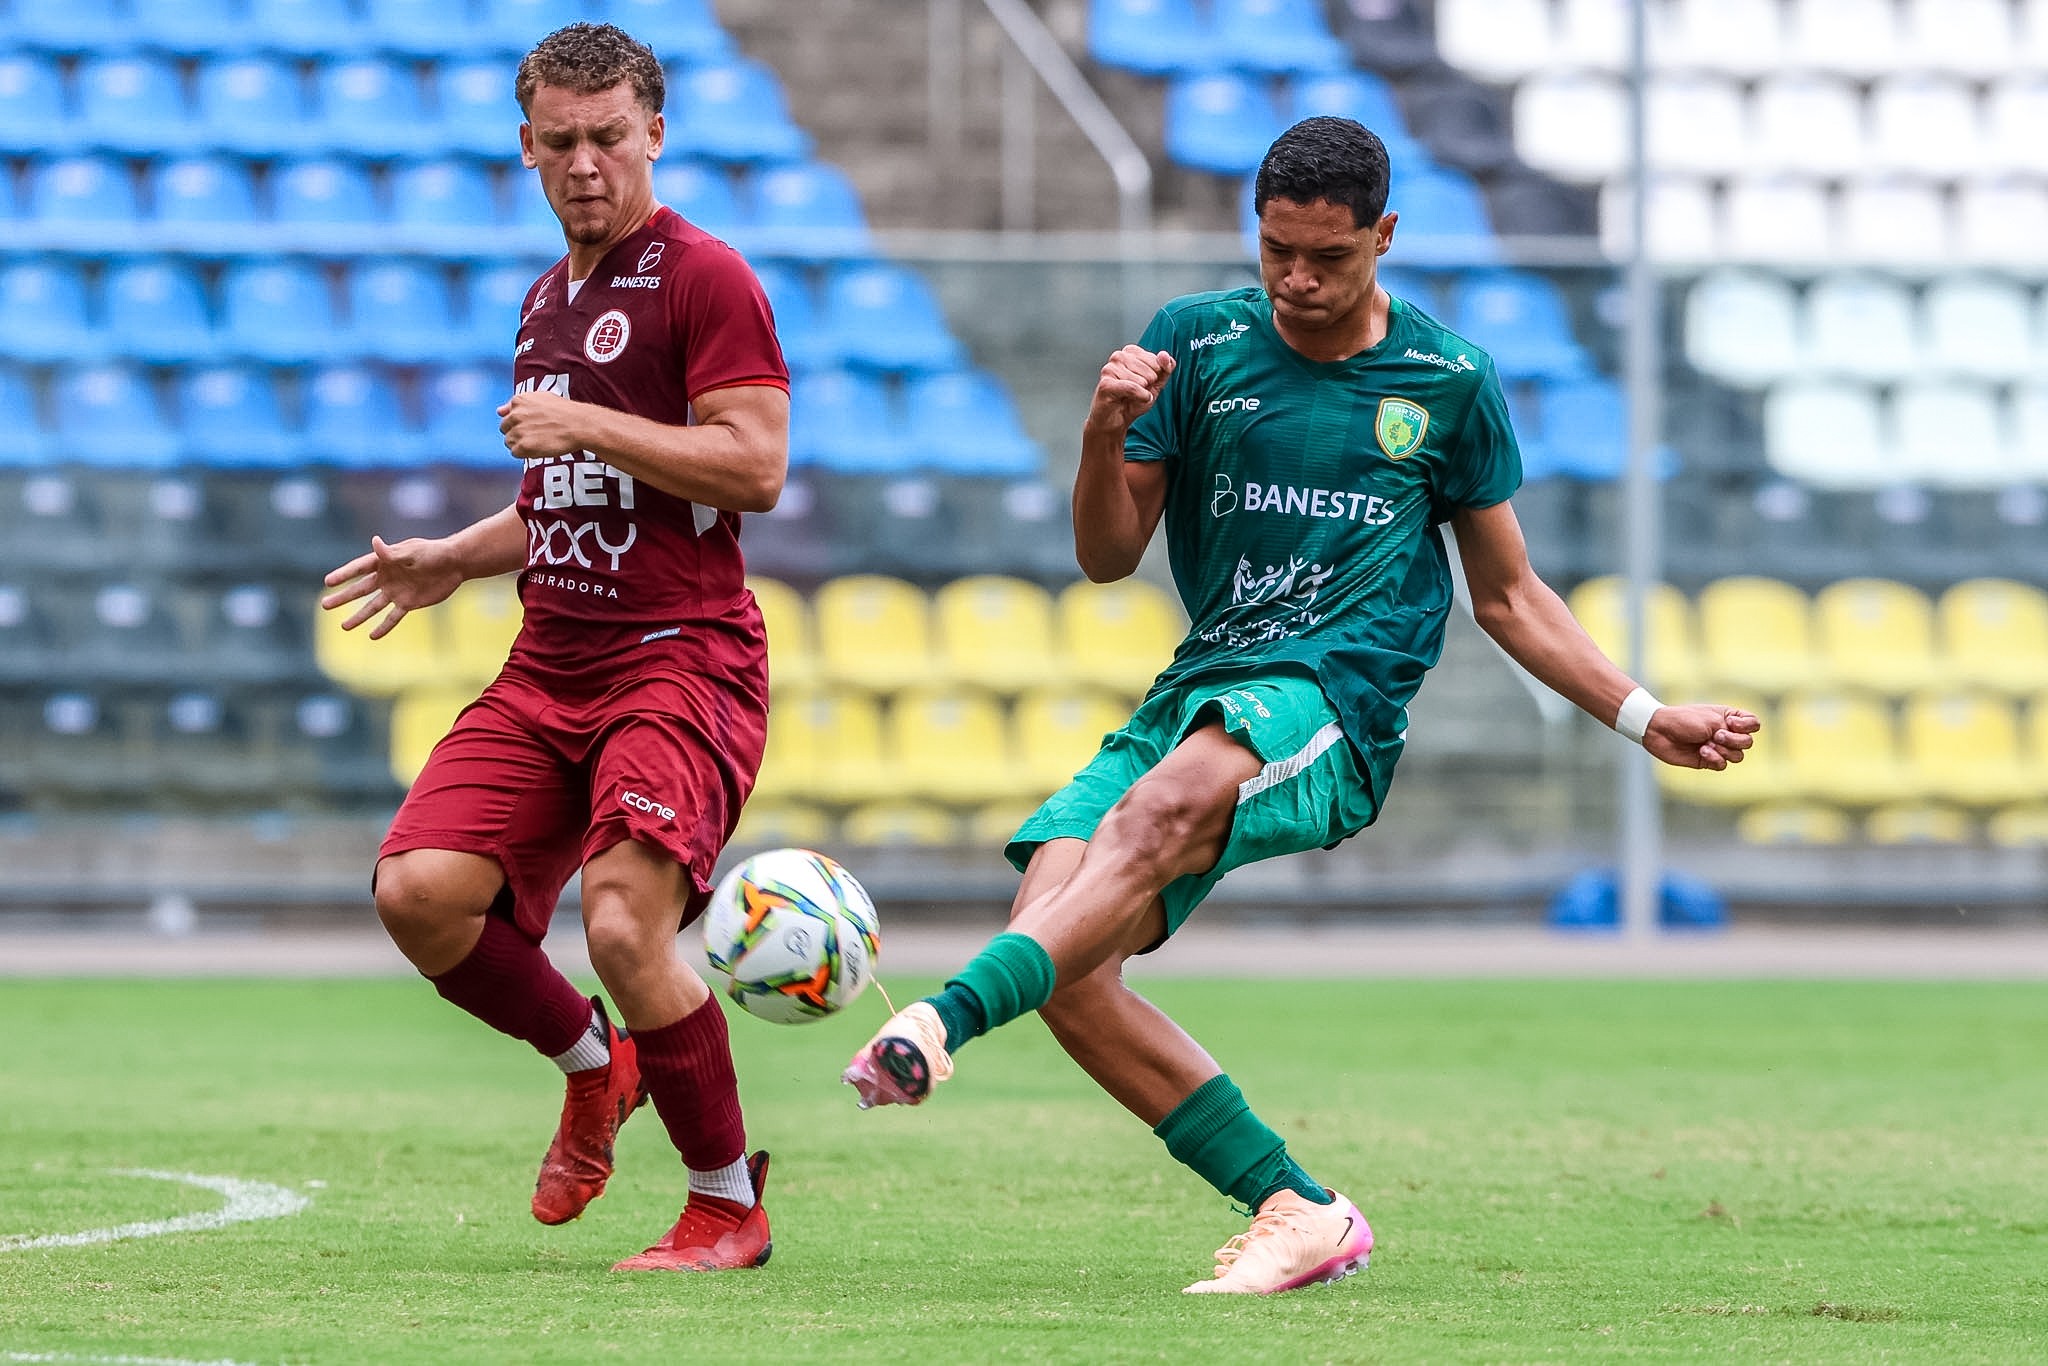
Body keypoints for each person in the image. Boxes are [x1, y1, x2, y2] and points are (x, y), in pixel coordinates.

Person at [841, 117, 1762, 1295]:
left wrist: (1643, 715)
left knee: (1150, 822)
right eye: (1276, 250)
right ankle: (1298, 1207)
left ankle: (940, 1020)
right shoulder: (1196, 343)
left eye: (1327, 256)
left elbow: (1511, 595)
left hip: (1332, 703)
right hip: (1198, 690)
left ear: (1382, 235)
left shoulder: (1446, 381)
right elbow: (1107, 555)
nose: (1297, 279)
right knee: (1065, 956)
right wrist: (1101, 431)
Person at [320, 23, 790, 1274]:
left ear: (654, 134)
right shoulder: (546, 296)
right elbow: (566, 495)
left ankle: (724, 1201)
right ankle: (598, 1063)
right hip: (551, 662)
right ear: (526, 147)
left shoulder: (707, 278)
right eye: (560, 141)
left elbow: (754, 466)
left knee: (627, 924)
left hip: (679, 656)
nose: (585, 162)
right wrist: (451, 559)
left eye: (608, 137)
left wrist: (582, 417)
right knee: (417, 894)